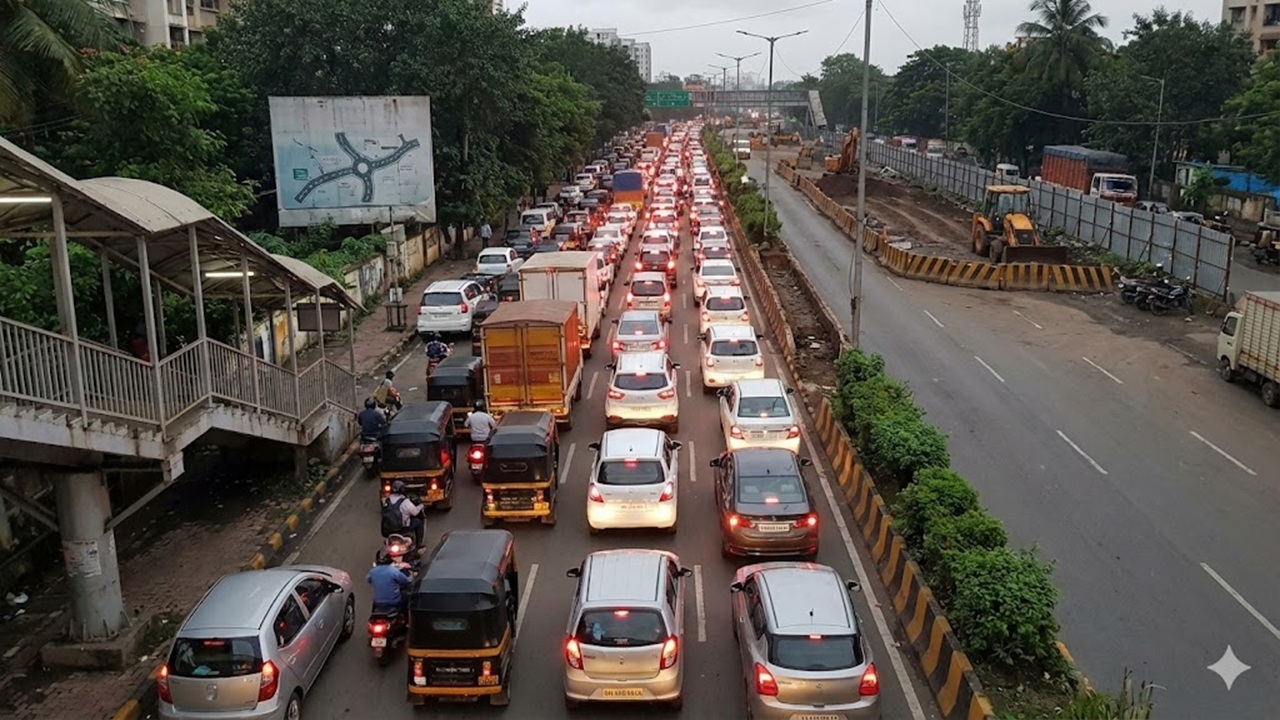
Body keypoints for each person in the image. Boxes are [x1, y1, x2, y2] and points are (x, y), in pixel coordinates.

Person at [387, 480, 424, 547]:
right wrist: (421, 506)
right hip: (403, 528)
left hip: (389, 528)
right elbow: (415, 512)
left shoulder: (388, 499)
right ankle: (419, 544)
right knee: (418, 522)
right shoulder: (405, 502)